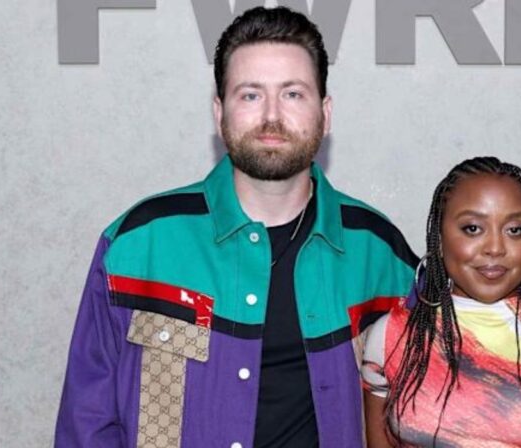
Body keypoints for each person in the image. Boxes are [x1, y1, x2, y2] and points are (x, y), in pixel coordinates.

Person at [55, 6, 417, 448]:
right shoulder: (136, 245)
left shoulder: (382, 256)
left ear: (326, 113)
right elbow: (85, 425)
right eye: (250, 95)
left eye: (293, 94)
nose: (271, 116)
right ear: (218, 112)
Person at [362, 157, 521, 447]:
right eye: (473, 228)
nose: (495, 248)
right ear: (439, 239)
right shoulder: (391, 338)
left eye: (515, 230)